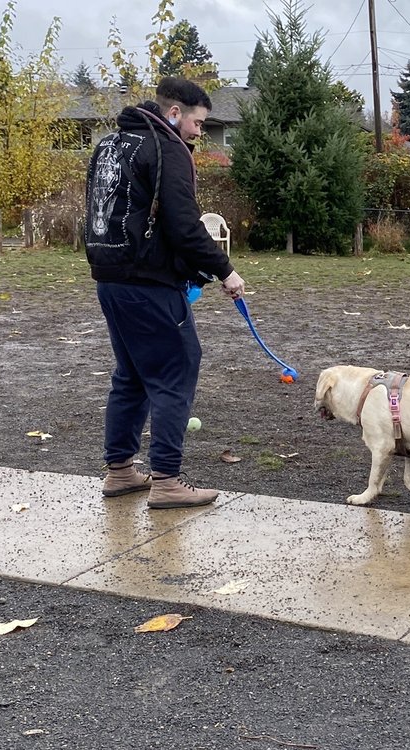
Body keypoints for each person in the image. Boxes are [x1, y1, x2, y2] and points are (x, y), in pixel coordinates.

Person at [84, 76, 245, 509]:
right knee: (176, 371)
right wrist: (225, 270)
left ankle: (120, 471)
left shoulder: (109, 145)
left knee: (132, 375)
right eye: (198, 122)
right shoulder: (165, 148)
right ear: (174, 113)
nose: (199, 132)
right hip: (149, 283)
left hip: (110, 278)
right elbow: (184, 225)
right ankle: (168, 480)